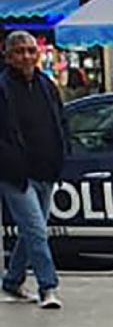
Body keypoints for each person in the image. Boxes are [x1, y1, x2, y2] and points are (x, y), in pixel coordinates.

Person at [0, 30, 65, 309]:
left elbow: (60, 119)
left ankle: (12, 281)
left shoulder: (46, 85)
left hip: (46, 168)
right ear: (8, 55)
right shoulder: (2, 88)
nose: (26, 56)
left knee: (31, 230)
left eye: (30, 50)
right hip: (16, 174)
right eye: (19, 51)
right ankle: (47, 286)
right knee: (37, 230)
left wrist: (63, 152)